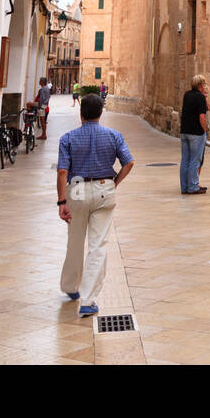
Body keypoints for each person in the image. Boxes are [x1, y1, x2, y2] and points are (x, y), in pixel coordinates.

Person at [56, 94, 134, 318]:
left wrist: (62, 201)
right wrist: (114, 183)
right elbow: (128, 162)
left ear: (81, 114)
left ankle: (71, 287)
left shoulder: (67, 138)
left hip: (78, 188)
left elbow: (62, 171)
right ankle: (88, 300)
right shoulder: (113, 135)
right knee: (98, 245)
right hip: (103, 188)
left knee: (75, 240)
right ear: (100, 113)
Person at [179, 75, 209, 195]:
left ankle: (184, 187)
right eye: (204, 84)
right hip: (196, 133)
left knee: (185, 159)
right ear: (201, 85)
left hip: (184, 131)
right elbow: (202, 116)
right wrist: (204, 130)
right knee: (195, 160)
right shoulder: (200, 97)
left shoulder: (186, 95)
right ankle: (193, 187)